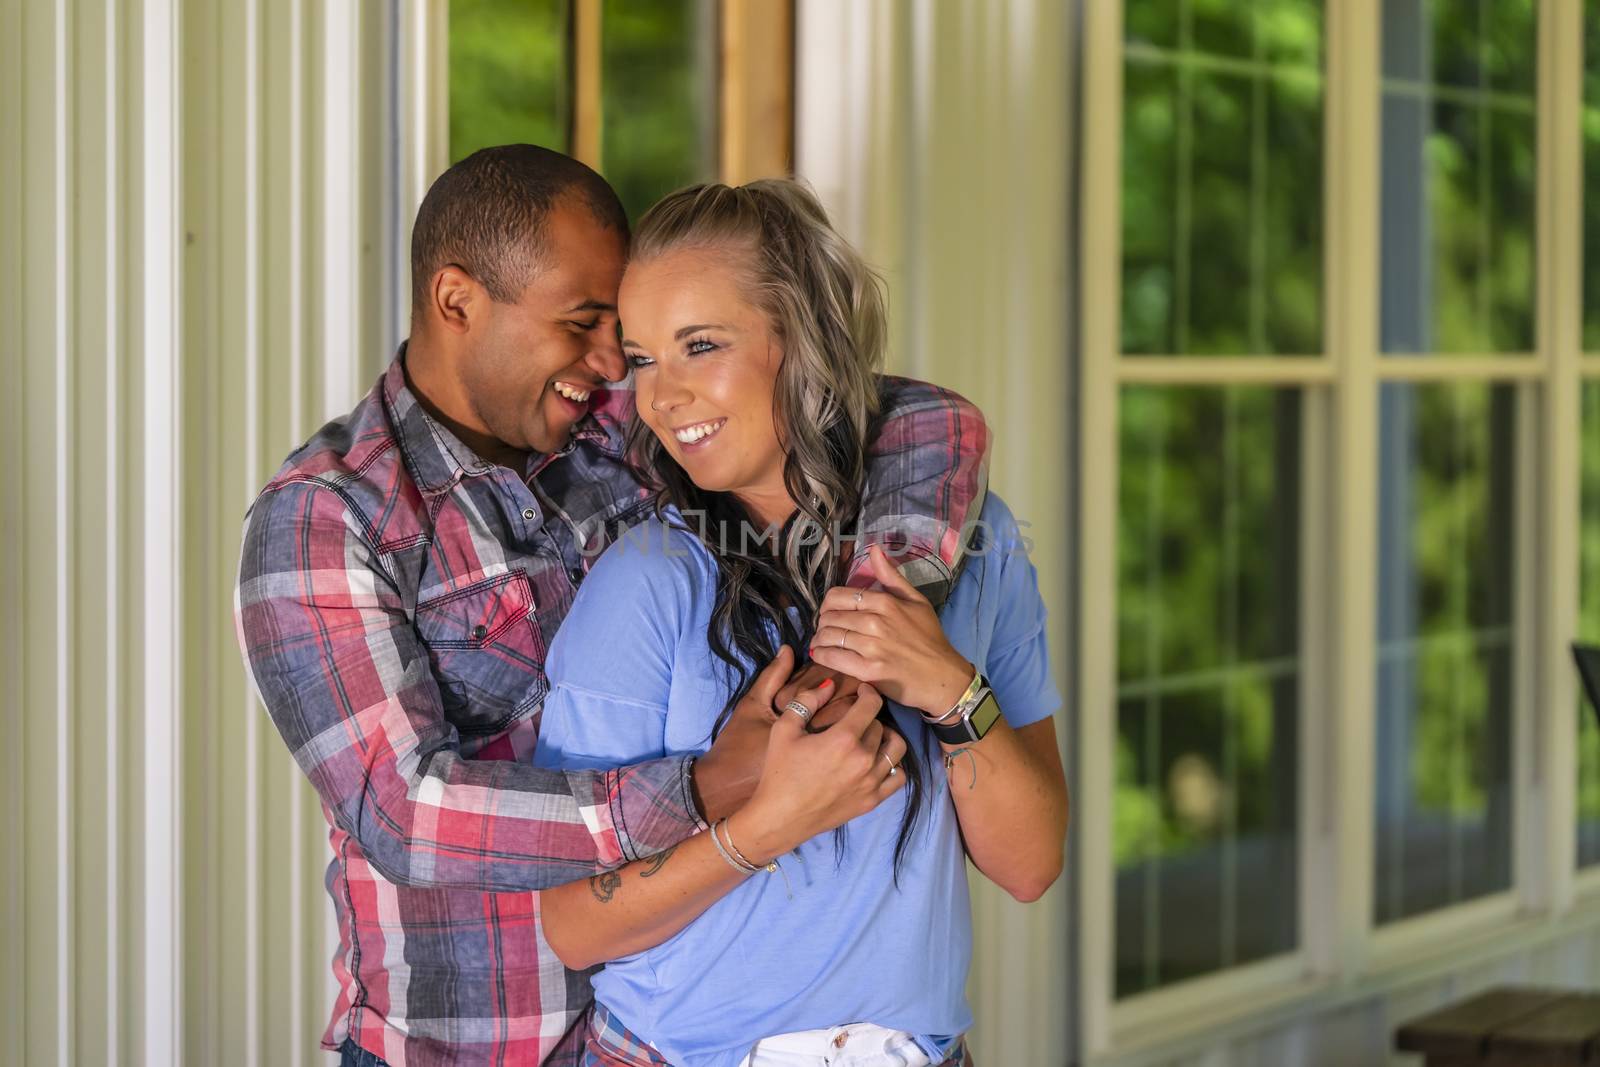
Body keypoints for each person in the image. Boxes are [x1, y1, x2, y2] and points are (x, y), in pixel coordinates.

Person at [233, 144, 992, 1067]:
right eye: (586, 325)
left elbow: (919, 418)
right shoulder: (328, 516)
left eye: (622, 337)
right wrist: (714, 784)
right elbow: (408, 811)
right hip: (467, 1048)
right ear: (457, 301)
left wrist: (866, 624)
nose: (610, 363)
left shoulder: (615, 431)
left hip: (658, 1037)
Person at [531, 179, 1070, 1067]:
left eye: (700, 345)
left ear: (803, 337)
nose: (663, 397)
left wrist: (944, 685)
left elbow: (1030, 863)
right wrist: (767, 824)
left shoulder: (978, 545)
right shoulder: (647, 582)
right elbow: (574, 923)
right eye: (644, 359)